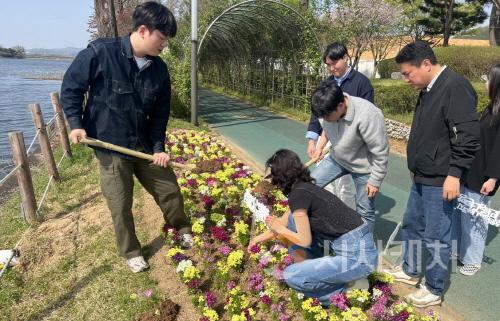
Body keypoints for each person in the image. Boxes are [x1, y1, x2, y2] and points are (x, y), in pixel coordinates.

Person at [60, 1, 192, 273]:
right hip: (110, 146)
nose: (164, 45)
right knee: (120, 203)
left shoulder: (159, 70)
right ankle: (131, 251)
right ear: (143, 30)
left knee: (169, 190)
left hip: (144, 145)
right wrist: (75, 124)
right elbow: (71, 89)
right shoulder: (100, 53)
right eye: (162, 38)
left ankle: (182, 228)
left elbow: (159, 115)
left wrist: (158, 147)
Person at [383, 42, 480, 307]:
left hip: (441, 178)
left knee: (437, 234)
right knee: (412, 225)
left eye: (407, 73)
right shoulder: (427, 88)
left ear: (426, 64)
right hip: (422, 174)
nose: (405, 79)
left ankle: (435, 288)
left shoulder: (455, 87)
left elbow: (468, 137)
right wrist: (415, 167)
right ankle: (411, 270)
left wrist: (454, 174)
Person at [248, 149, 377, 306]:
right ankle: (316, 269)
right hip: (357, 245)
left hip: (358, 258)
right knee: (292, 221)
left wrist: (280, 230)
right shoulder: (304, 188)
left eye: (272, 176)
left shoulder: (298, 195)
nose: (271, 181)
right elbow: (284, 221)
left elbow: (303, 239)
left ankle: (346, 292)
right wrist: (258, 239)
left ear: (281, 176)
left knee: (292, 276)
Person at [309, 82, 389, 232]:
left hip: (365, 167)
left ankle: (365, 249)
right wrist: (320, 146)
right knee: (308, 186)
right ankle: (316, 230)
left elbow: (380, 152)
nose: (324, 119)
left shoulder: (368, 114)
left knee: (365, 210)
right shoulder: (327, 111)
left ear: (340, 106)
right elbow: (326, 129)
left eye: (326, 116)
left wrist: (375, 180)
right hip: (337, 159)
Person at [306, 42, 375, 209]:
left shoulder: (361, 83)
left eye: (334, 63)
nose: (331, 68)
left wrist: (344, 142)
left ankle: (347, 218)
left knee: (344, 185)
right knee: (326, 183)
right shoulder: (326, 83)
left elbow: (365, 116)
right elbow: (317, 113)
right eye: (328, 65)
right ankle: (329, 214)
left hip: (348, 140)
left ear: (345, 58)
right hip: (326, 136)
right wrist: (312, 141)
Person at [451, 63, 500, 276]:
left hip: (484, 175)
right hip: (472, 169)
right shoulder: (492, 107)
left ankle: (472, 259)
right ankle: (459, 251)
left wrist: (493, 178)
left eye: (488, 80)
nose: (485, 83)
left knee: (476, 217)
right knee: (462, 212)